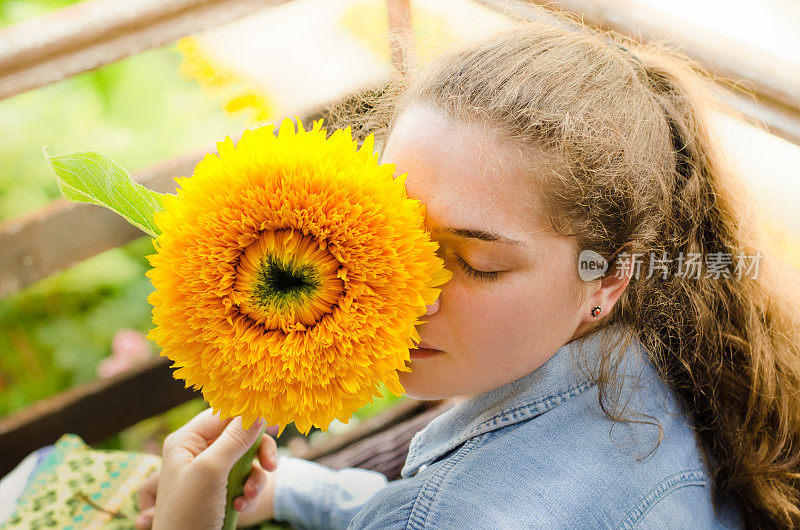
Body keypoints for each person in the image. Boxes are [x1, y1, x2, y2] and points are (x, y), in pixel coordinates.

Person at [136, 11, 800, 529]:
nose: (404, 293)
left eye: (476, 264)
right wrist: (295, 490)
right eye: (390, 233)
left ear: (607, 278)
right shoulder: (665, 356)